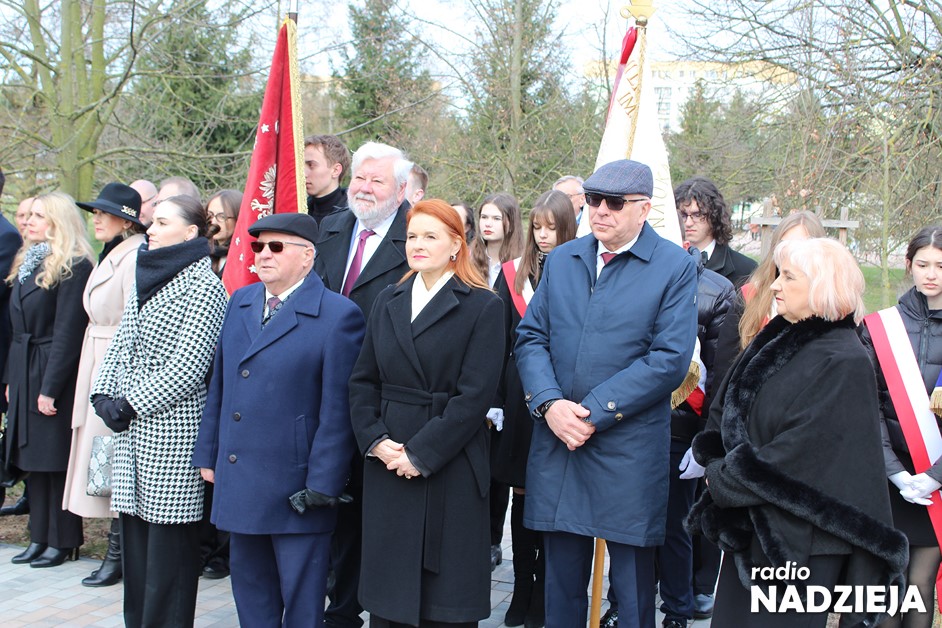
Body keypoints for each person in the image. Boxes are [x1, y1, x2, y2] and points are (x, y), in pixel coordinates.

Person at [686, 238, 907, 628]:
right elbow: (729, 405)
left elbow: (804, 452)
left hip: (801, 546)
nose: (774, 285)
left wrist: (723, 477)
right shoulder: (780, 336)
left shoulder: (846, 359)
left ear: (822, 286)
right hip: (753, 527)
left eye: (788, 277)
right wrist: (715, 456)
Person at [515, 159, 698, 627]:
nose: (600, 210)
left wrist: (590, 413)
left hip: (627, 448)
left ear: (644, 209)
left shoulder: (675, 266)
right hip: (561, 441)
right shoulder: (564, 259)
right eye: (594, 199)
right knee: (561, 587)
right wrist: (550, 404)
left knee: (633, 590)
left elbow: (669, 360)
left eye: (614, 203)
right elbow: (531, 338)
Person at [193, 212, 365, 626]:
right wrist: (208, 453)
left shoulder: (339, 315)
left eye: (275, 246)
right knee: (252, 595)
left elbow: (337, 411)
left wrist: (323, 483)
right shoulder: (241, 301)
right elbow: (221, 384)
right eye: (257, 246)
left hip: (297, 487)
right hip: (241, 477)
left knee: (302, 603)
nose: (263, 255)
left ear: (307, 256)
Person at [350, 199, 504, 627]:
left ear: (456, 244)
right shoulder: (388, 299)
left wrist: (419, 454)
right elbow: (362, 381)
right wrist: (376, 440)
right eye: (412, 236)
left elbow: (474, 398)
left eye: (430, 236)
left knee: (444, 601)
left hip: (449, 463)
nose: (417, 244)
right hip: (388, 460)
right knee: (390, 599)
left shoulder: (483, 305)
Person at [90, 195, 227, 627]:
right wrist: (102, 395)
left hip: (172, 434)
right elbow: (121, 341)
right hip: (132, 432)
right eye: (154, 221)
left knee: (169, 559)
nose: (150, 228)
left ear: (190, 232)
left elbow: (189, 367)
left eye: (162, 222)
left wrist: (129, 404)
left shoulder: (205, 287)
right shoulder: (146, 272)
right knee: (137, 552)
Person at [690, 209, 826, 618]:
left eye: (803, 246)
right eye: (785, 246)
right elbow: (723, 378)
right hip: (743, 445)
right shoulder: (750, 297)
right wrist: (713, 451)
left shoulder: (831, 312)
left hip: (796, 452)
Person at [314, 140, 411, 628]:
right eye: (360, 178)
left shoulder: (417, 236)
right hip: (322, 389)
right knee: (332, 502)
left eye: (377, 180)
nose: (365, 188)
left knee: (373, 512)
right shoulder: (328, 230)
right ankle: (339, 606)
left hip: (383, 397)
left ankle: (370, 607)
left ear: (401, 189)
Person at [491, 189, 576, 628]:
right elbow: (496, 341)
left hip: (561, 394)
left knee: (551, 493)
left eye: (552, 228)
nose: (543, 236)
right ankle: (521, 585)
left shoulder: (581, 273)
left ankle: (544, 590)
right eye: (537, 227)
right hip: (517, 396)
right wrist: (494, 402)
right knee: (521, 493)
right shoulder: (512, 274)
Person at [62, 183, 146, 587]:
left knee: (111, 452)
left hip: (113, 361)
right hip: (97, 355)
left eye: (104, 213)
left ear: (126, 221)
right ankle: (117, 553)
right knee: (102, 453)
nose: (96, 219)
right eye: (94, 212)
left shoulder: (134, 257)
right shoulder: (112, 253)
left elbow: (133, 320)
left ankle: (118, 554)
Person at [5, 192, 94, 567]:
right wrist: (12, 379)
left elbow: (67, 334)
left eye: (38, 216)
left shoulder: (74, 265)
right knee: (33, 460)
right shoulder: (29, 261)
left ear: (58, 222)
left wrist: (50, 388)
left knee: (55, 461)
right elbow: (16, 329)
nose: (28, 221)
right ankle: (39, 536)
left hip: (51, 373)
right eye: (29, 215)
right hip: (25, 368)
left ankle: (63, 539)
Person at [860, 226, 942, 628]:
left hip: (937, 480)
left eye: (941, 266)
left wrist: (935, 477)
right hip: (889, 476)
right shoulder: (879, 327)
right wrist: (895, 472)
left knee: (921, 584)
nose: (932, 274)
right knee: (888, 585)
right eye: (923, 264)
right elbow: (867, 403)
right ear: (909, 265)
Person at [674, 176, 756, 287]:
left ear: (714, 215)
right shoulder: (663, 262)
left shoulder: (745, 270)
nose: (688, 223)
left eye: (697, 214)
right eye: (682, 215)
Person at [470, 193, 525, 288]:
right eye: (484, 217)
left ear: (511, 224)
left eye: (496, 218)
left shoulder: (522, 263)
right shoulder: (469, 258)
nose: (488, 224)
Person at [305, 134, 351, 224]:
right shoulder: (299, 211)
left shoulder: (352, 217)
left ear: (335, 170)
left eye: (311, 165)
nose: (304, 173)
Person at [206, 189, 242, 277]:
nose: (213, 222)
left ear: (238, 218)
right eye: (210, 215)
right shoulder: (202, 252)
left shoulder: (243, 257)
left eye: (222, 217)